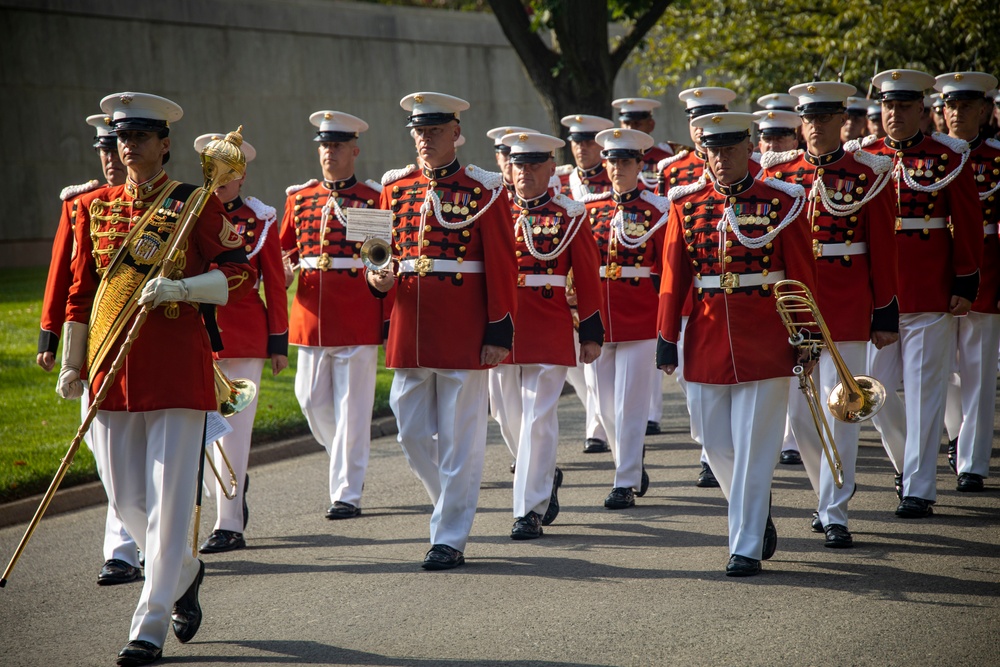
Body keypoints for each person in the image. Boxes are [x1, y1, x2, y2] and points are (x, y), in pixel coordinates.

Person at [60, 92, 255, 665]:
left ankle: (147, 627)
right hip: (112, 367)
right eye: (123, 137)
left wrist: (182, 289)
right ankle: (185, 571)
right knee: (124, 498)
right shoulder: (93, 207)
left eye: (141, 136)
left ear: (164, 143)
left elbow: (239, 275)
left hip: (174, 364)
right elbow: (80, 292)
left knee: (172, 503)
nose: (129, 146)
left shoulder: (193, 203)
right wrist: (73, 360)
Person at [656, 112, 817, 576]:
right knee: (710, 437)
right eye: (713, 150)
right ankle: (755, 506)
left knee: (753, 445)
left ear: (748, 149)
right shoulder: (686, 203)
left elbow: (801, 274)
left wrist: (806, 335)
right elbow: (673, 277)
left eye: (730, 149)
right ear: (703, 151)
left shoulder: (782, 200)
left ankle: (744, 546)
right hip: (706, 334)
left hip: (766, 333)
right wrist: (667, 336)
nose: (721, 159)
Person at [367, 92, 517, 570]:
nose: (425, 139)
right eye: (419, 131)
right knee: (408, 431)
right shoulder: (391, 187)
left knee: (459, 438)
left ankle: (449, 535)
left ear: (456, 133)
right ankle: (450, 503)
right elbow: (369, 254)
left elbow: (501, 265)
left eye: (434, 131)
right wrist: (376, 280)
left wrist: (499, 332)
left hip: (463, 329)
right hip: (410, 327)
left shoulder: (487, 188)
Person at [763, 81, 899, 547]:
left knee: (841, 408)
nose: (816, 127)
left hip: (845, 300)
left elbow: (883, 246)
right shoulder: (779, 175)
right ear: (800, 123)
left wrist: (884, 312)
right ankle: (829, 487)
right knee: (801, 418)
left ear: (842, 120)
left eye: (825, 118)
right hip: (796, 307)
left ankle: (834, 509)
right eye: (809, 119)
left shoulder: (869, 171)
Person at [860, 69, 981, 518]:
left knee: (927, 394)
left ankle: (919, 488)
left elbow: (967, 221)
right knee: (871, 393)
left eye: (904, 106)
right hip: (880, 295)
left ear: (923, 112)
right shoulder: (866, 157)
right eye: (888, 106)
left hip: (929, 290)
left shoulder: (948, 156)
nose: (894, 114)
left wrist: (966, 281)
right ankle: (906, 464)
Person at [38, 113, 140, 586]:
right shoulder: (81, 205)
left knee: (137, 452)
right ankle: (137, 540)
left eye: (117, 145)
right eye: (105, 148)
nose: (112, 155)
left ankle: (123, 550)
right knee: (106, 455)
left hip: (142, 338)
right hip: (96, 345)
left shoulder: (153, 205)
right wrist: (52, 338)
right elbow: (66, 277)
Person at [490, 131, 603, 538]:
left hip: (548, 324)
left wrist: (590, 332)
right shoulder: (493, 209)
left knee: (538, 419)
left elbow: (588, 277)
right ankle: (544, 474)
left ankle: (528, 510)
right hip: (502, 325)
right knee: (506, 417)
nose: (525, 172)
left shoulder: (569, 214)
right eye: (519, 165)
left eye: (535, 164)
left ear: (551, 168)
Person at [279, 110, 385, 520]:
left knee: (353, 409)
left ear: (354, 150)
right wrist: (284, 271)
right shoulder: (301, 198)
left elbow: (377, 258)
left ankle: (347, 493)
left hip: (355, 317)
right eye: (324, 145)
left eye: (338, 145)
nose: (329, 152)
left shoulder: (367, 199)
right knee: (308, 399)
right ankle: (343, 453)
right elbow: (283, 250)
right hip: (309, 318)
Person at [193, 133, 288, 553]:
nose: (219, 180)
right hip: (196, 335)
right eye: (212, 169)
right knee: (203, 432)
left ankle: (229, 526)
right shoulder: (189, 212)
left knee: (234, 433)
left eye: (227, 172)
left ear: (242, 175)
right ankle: (229, 496)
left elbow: (275, 287)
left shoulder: (260, 218)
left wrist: (279, 343)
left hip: (246, 336)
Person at [656, 86, 738, 489]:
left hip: (743, 300)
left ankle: (722, 463)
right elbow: (670, 249)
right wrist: (665, 327)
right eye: (694, 118)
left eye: (708, 116)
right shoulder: (674, 172)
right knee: (696, 390)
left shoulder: (746, 167)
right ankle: (710, 453)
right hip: (696, 298)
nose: (699, 126)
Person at [583, 128, 668, 508]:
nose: (617, 168)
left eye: (625, 161)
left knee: (629, 404)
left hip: (640, 315)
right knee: (602, 406)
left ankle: (624, 482)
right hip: (599, 315)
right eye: (612, 161)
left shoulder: (659, 209)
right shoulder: (590, 208)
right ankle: (630, 463)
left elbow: (667, 268)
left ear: (639, 164)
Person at [935, 71, 1000, 493]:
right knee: (939, 372)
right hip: (937, 265)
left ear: (984, 110)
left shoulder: (996, 156)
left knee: (977, 370)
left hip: (989, 263)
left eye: (966, 106)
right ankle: (956, 436)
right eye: (950, 106)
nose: (957, 113)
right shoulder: (931, 156)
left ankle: (972, 462)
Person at [558, 113, 615, 455]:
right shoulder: (560, 185)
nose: (581, 148)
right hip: (564, 288)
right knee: (576, 372)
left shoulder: (611, 186)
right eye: (576, 142)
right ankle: (596, 419)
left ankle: (597, 428)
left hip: (599, 283)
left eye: (588, 141)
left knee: (594, 361)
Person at [612, 97, 677, 191]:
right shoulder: (611, 161)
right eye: (626, 123)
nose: (630, 129)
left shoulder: (666, 160)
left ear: (651, 125)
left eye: (637, 124)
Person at [486, 125, 538, 195]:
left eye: (516, 155)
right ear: (497, 158)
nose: (510, 159)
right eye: (505, 153)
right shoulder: (489, 190)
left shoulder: (544, 188)